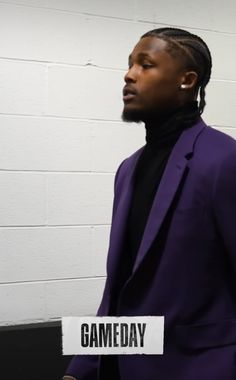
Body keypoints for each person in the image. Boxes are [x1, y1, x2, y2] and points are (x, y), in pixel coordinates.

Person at [63, 27, 236, 380]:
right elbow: (121, 287)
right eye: (129, 65)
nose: (128, 75)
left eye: (146, 65)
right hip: (121, 366)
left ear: (187, 81)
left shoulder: (224, 159)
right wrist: (81, 367)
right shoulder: (128, 169)